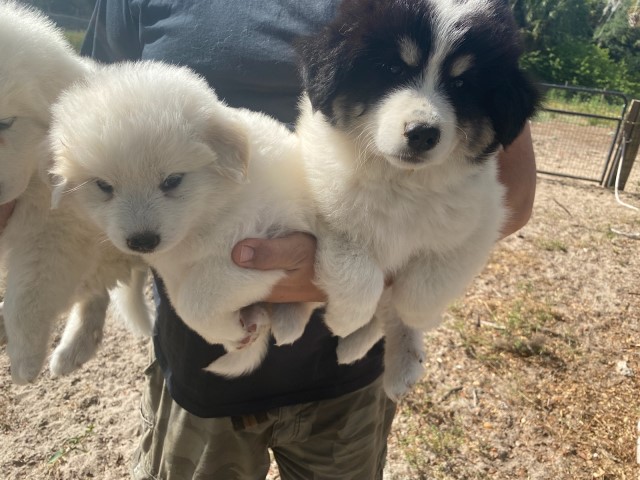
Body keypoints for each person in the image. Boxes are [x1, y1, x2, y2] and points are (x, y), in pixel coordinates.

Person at [0, 1, 537, 478]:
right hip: (200, 360)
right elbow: (74, 123)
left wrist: (355, 264)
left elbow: (510, 187)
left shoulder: (435, 12)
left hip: (345, 379)